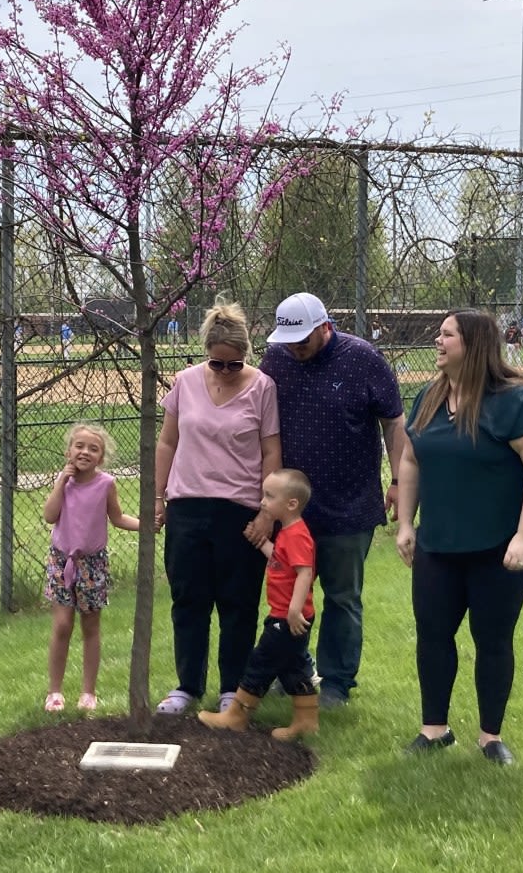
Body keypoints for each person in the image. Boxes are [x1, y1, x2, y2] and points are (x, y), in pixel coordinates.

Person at [396, 310, 523, 765]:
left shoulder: (516, 401)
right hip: (438, 544)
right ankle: (434, 730)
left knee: (492, 639)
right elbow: (410, 460)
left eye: (447, 334)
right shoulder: (430, 397)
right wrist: (407, 523)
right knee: (432, 634)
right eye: (440, 334)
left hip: (500, 548)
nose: (438, 340)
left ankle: (491, 737)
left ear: (474, 344)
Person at [258, 292, 406, 708]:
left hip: (349, 504)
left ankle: (337, 682)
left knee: (342, 596)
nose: (295, 350)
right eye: (288, 342)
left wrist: (398, 480)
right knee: (288, 594)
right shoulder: (277, 359)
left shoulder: (363, 360)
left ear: (326, 327)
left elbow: (393, 423)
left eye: (302, 341)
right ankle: (292, 669)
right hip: (291, 510)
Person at [154, 300, 281, 715]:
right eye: (217, 363)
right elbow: (168, 442)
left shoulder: (263, 387)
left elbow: (270, 451)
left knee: (238, 602)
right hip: (187, 506)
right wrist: (159, 496)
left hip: (240, 511)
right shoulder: (185, 382)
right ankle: (187, 686)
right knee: (188, 600)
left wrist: (267, 510)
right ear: (206, 352)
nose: (226, 371)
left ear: (246, 353)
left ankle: (232, 686)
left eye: (234, 364)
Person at [199, 469, 318, 740]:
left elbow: (305, 573)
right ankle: (307, 720)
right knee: (293, 667)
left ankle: (236, 716)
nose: (263, 502)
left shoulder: (298, 535)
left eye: (269, 496)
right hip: (286, 616)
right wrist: (262, 542)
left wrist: (294, 610)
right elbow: (279, 558)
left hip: (287, 619)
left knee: (259, 663)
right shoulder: (288, 532)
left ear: (291, 504)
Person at [43, 423, 140, 712]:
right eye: (79, 446)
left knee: (90, 626)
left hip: (92, 563)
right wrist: (61, 481)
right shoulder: (64, 481)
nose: (85, 452)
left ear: (101, 457)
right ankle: (55, 692)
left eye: (93, 449)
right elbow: (50, 516)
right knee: (62, 626)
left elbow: (118, 517)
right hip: (62, 561)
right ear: (69, 451)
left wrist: (148, 524)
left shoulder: (106, 484)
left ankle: (88, 692)